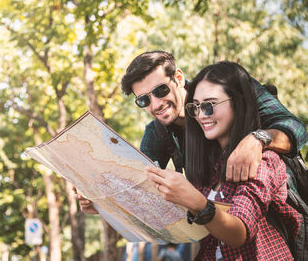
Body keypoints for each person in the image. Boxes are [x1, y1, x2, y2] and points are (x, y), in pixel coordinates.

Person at [76, 50, 307, 212]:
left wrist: (258, 139)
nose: (155, 104)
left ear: (178, 77)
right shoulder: (157, 133)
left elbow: (295, 127)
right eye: (144, 100)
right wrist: (102, 202)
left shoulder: (226, 85)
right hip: (220, 230)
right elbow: (141, 186)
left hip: (279, 217)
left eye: (160, 90)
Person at [146, 61, 302, 259]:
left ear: (238, 103)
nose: (202, 115)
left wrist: (198, 204)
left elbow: (239, 233)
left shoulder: (262, 160)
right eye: (196, 107)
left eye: (209, 106)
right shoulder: (204, 166)